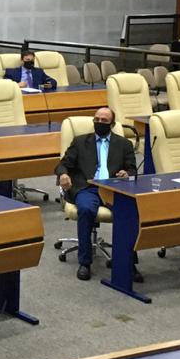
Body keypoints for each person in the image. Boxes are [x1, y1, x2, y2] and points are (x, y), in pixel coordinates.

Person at [55, 106, 139, 282]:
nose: (99, 123)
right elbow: (62, 165)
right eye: (97, 120)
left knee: (130, 212)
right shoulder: (80, 142)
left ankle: (128, 262)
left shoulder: (124, 144)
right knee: (86, 210)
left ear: (112, 124)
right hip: (87, 187)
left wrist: (127, 174)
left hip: (113, 189)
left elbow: (133, 169)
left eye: (104, 121)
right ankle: (85, 263)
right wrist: (63, 174)